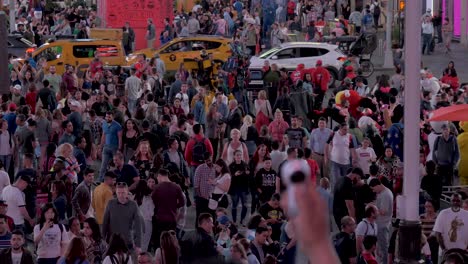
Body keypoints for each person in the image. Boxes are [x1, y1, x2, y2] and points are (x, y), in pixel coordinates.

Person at [102, 182, 142, 253]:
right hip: (112, 242)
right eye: (119, 193)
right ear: (116, 193)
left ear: (127, 192)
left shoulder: (133, 205)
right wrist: (103, 239)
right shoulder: (110, 203)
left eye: (123, 192)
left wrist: (138, 245)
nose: (120, 195)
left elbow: (138, 226)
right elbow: (105, 222)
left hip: (127, 242)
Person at [151, 169, 184, 249]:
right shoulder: (177, 187)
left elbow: (153, 202)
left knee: (160, 242)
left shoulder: (157, 187)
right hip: (172, 218)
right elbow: (182, 203)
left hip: (160, 219)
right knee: (171, 241)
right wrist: (175, 206)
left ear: (159, 176)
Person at [369, 178, 394, 264]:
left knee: (384, 247)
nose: (373, 191)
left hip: (383, 224)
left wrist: (372, 210)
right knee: (380, 247)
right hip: (381, 224)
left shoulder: (386, 195)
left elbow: (383, 211)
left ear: (377, 185)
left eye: (373, 189)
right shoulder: (382, 193)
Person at [325, 123, 358, 187]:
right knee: (335, 180)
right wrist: (326, 156)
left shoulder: (350, 136)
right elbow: (326, 144)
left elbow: (352, 149)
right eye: (344, 129)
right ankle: (334, 195)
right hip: (335, 161)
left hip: (346, 162)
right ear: (340, 128)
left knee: (344, 181)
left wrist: (354, 159)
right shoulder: (333, 134)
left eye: (347, 129)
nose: (346, 131)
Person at [99, 112, 123, 181]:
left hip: (114, 147)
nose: (107, 118)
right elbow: (103, 135)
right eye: (106, 117)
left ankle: (116, 180)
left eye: (109, 117)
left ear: (113, 117)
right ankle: (100, 179)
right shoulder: (104, 123)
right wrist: (101, 146)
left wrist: (119, 149)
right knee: (103, 164)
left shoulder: (117, 126)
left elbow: (120, 138)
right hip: (106, 147)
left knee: (116, 165)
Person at [193, 152, 216, 221]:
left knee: (212, 215)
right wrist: (199, 196)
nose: (208, 162)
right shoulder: (200, 168)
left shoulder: (215, 168)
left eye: (209, 160)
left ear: (211, 157)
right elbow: (196, 183)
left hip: (212, 197)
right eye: (206, 161)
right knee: (200, 216)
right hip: (202, 197)